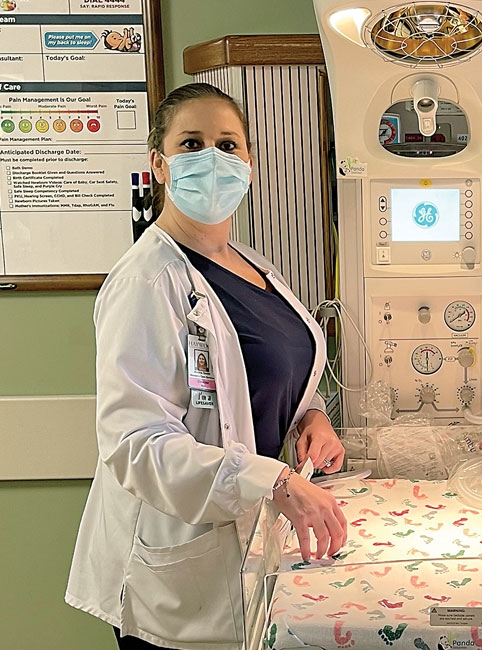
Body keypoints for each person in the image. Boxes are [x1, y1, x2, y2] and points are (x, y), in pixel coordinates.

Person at [65, 82, 348, 650]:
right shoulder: (147, 280)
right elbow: (135, 445)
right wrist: (275, 480)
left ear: (248, 162)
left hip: (250, 551)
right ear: (160, 164)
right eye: (191, 144)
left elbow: (259, 376)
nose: (211, 160)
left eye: (227, 144)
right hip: (175, 571)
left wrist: (309, 417)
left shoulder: (251, 266)